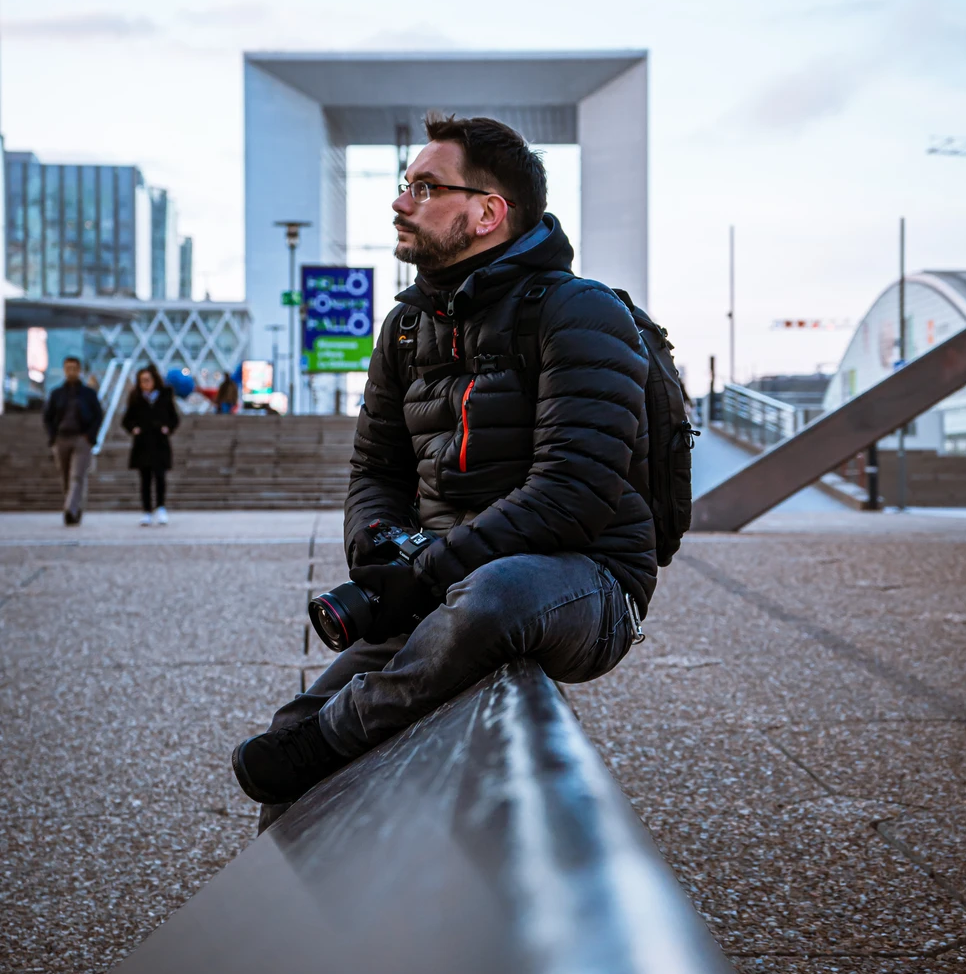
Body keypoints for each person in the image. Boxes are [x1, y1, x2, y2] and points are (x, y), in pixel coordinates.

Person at [233, 114, 657, 824]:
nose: (401, 202)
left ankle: (334, 737)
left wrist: (424, 574)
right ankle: (311, 922)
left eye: (425, 187)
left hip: (584, 581)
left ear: (489, 212)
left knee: (494, 598)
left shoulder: (579, 313)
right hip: (443, 582)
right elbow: (376, 468)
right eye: (405, 184)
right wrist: (375, 544)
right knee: (288, 743)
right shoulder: (405, 328)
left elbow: (570, 497)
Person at [43, 356, 103, 526]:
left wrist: (89, 436)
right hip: (61, 438)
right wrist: (53, 437)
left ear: (79, 370)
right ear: (64, 370)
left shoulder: (88, 394)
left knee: (77, 476)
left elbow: (98, 415)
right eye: (68, 368)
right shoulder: (57, 394)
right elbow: (47, 417)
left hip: (81, 438)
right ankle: (75, 507)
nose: (71, 371)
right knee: (65, 476)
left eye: (74, 368)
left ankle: (70, 510)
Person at [122, 365, 180, 526]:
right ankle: (147, 510)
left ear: (154, 380)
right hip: (143, 443)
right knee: (145, 479)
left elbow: (174, 418)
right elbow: (126, 420)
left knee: (160, 477)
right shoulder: (136, 398)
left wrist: (167, 427)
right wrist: (134, 428)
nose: (145, 384)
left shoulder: (164, 396)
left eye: (147, 380)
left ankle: (160, 507)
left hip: (159, 442)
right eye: (142, 381)